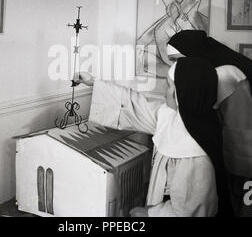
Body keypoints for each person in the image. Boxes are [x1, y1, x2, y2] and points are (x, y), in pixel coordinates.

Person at [75, 57, 233, 217]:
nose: (165, 91)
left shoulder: (196, 154)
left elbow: (190, 212)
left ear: (183, 93)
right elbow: (135, 106)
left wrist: (150, 213)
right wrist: (94, 82)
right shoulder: (173, 116)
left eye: (170, 85)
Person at [167, 30, 252, 216]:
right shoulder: (216, 71)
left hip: (241, 158)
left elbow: (240, 131)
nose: (175, 67)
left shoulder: (225, 74)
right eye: (171, 61)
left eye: (177, 60)